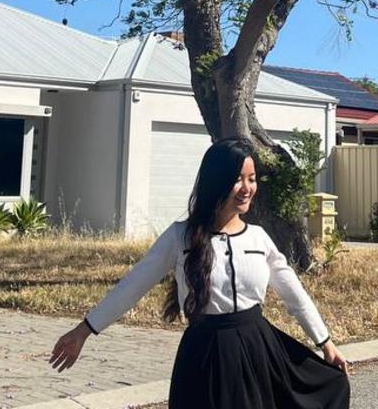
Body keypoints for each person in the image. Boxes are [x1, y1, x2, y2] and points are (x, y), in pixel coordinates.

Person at [49, 137, 350, 408]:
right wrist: (84, 331)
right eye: (238, 179)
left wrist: (326, 343)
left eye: (252, 179)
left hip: (259, 349)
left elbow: (294, 295)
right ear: (217, 181)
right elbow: (133, 285)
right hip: (205, 355)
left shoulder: (258, 238)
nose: (247, 189)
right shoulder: (180, 237)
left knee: (328, 385)